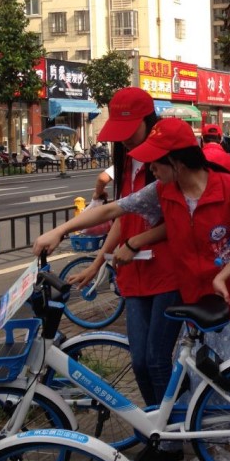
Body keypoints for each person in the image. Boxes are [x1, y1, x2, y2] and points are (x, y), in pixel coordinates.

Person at [34, 117, 230, 461]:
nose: (151, 168)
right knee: (200, 373)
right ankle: (212, 444)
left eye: (156, 162)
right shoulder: (163, 192)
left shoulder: (229, 188)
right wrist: (61, 232)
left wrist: (226, 275)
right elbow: (115, 209)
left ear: (175, 161)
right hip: (196, 293)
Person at [55, 88, 183, 441]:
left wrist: (133, 244)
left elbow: (178, 219)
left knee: (157, 359)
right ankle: (158, 431)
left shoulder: (168, 162)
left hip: (168, 272)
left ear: (147, 122)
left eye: (130, 129)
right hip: (134, 274)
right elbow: (119, 218)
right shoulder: (125, 163)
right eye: (119, 132)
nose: (124, 139)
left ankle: (168, 438)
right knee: (140, 360)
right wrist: (97, 262)